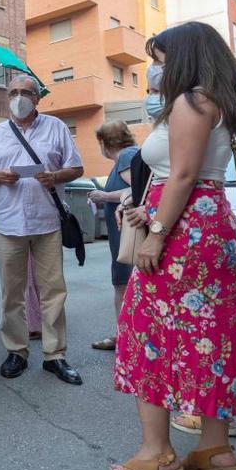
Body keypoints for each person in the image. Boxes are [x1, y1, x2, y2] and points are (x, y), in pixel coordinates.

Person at [110, 23, 236, 470]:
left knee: (148, 334)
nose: (157, 70)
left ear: (185, 58)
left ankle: (157, 455)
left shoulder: (190, 101)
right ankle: (215, 451)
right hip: (210, 224)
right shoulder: (217, 102)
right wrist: (150, 210)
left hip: (184, 231)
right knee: (211, 338)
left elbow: (182, 176)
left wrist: (156, 231)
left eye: (160, 60)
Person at [0, 74, 85, 385]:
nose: (19, 97)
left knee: (53, 291)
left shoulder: (56, 127)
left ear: (37, 98)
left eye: (26, 92)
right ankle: (16, 351)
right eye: (14, 92)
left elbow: (77, 167)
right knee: (12, 293)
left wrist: (56, 176)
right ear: (7, 97)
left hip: (48, 222)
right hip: (9, 223)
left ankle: (55, 355)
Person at [87, 121, 139, 351]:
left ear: (105, 142)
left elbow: (137, 190)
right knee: (122, 286)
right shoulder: (126, 158)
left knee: (124, 286)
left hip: (130, 237)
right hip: (124, 237)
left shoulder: (127, 156)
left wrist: (103, 196)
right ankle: (125, 336)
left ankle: (127, 340)